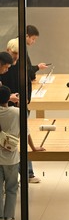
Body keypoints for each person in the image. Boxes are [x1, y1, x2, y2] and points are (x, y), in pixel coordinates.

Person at [0, 85, 44, 220]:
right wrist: (33, 148)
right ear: (9, 98)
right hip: (11, 157)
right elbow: (26, 132)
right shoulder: (17, 113)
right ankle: (10, 218)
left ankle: (0, 219)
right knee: (12, 188)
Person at [1, 38, 39, 182]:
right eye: (14, 53)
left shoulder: (21, 64)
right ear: (8, 50)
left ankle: (28, 173)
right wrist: (7, 99)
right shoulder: (5, 64)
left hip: (19, 104)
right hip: (5, 105)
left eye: (18, 54)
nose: (15, 57)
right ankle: (9, 176)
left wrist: (27, 98)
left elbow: (28, 81)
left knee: (22, 136)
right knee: (8, 141)